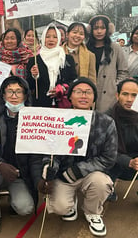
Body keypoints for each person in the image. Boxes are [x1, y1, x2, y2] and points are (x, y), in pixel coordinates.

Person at [38, 77, 117, 237]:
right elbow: (50, 150)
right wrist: (49, 166)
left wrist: (77, 170)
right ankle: (70, 203)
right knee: (60, 208)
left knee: (102, 183)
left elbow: (109, 157)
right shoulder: (58, 120)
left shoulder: (106, 122)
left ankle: (92, 212)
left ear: (94, 98)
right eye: (78, 91)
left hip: (92, 175)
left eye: (88, 92)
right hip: (64, 176)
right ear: (70, 96)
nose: (83, 96)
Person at [0, 76, 41, 235]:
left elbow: (36, 158)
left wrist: (38, 182)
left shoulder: (35, 121)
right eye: (10, 92)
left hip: (19, 175)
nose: (14, 96)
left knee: (25, 208)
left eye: (18, 92)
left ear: (25, 95)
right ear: (3, 95)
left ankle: (14, 201)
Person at [26, 24, 77, 108]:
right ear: (43, 38)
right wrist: (34, 76)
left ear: (59, 39)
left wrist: (63, 88)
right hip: (41, 106)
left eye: (55, 37)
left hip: (62, 105)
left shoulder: (67, 59)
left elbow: (73, 80)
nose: (51, 40)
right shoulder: (34, 60)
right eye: (47, 36)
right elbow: (29, 86)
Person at [87, 15, 128, 112]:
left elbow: (123, 71)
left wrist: (115, 86)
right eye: (96, 28)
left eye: (102, 28)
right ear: (90, 30)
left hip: (109, 95)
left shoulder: (115, 48)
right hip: (88, 93)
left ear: (108, 29)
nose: (99, 31)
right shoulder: (85, 48)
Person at [106, 78, 138, 201]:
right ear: (117, 95)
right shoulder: (107, 118)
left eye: (134, 95)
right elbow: (104, 151)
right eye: (125, 94)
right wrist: (128, 161)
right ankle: (107, 187)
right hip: (114, 162)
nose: (130, 99)